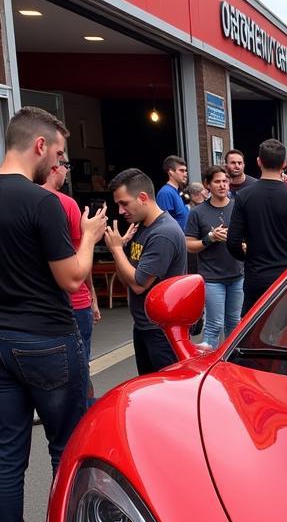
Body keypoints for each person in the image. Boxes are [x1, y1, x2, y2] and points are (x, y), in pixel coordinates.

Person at [0, 106, 104, 522]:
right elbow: (73, 277)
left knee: (6, 457)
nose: (61, 162)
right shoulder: (40, 202)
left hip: (1, 340)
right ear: (39, 146)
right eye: (59, 152)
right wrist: (89, 237)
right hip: (46, 339)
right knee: (67, 448)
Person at [104, 168, 187, 375]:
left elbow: (139, 284)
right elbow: (126, 278)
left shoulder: (163, 233)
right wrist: (121, 249)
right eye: (118, 205)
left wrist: (115, 249)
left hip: (161, 331)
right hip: (144, 326)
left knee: (165, 391)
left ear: (142, 197)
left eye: (124, 203)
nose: (121, 211)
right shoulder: (141, 228)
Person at [227, 138, 287, 315]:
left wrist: (248, 257)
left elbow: (233, 241)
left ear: (259, 162)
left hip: (255, 275)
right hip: (286, 275)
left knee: (251, 329)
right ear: (284, 164)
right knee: (284, 328)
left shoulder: (244, 196)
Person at [41, 150, 101, 403]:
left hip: (39, 306)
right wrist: (93, 299)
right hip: (74, 302)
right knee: (80, 368)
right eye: (66, 165)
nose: (67, 171)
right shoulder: (66, 204)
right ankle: (84, 419)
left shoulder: (24, 201)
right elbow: (80, 261)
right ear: (56, 167)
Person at [185, 164, 243, 348]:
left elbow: (250, 238)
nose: (222, 185)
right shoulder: (197, 213)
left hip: (237, 275)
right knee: (214, 325)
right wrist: (209, 238)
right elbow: (189, 245)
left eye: (225, 181)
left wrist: (244, 245)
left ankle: (232, 366)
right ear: (207, 185)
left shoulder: (238, 208)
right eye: (217, 181)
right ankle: (209, 365)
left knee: (235, 324)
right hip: (212, 278)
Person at [156, 155, 189, 231]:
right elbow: (164, 224)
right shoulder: (166, 193)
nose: (185, 174)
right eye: (181, 171)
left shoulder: (177, 192)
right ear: (171, 172)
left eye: (185, 171)